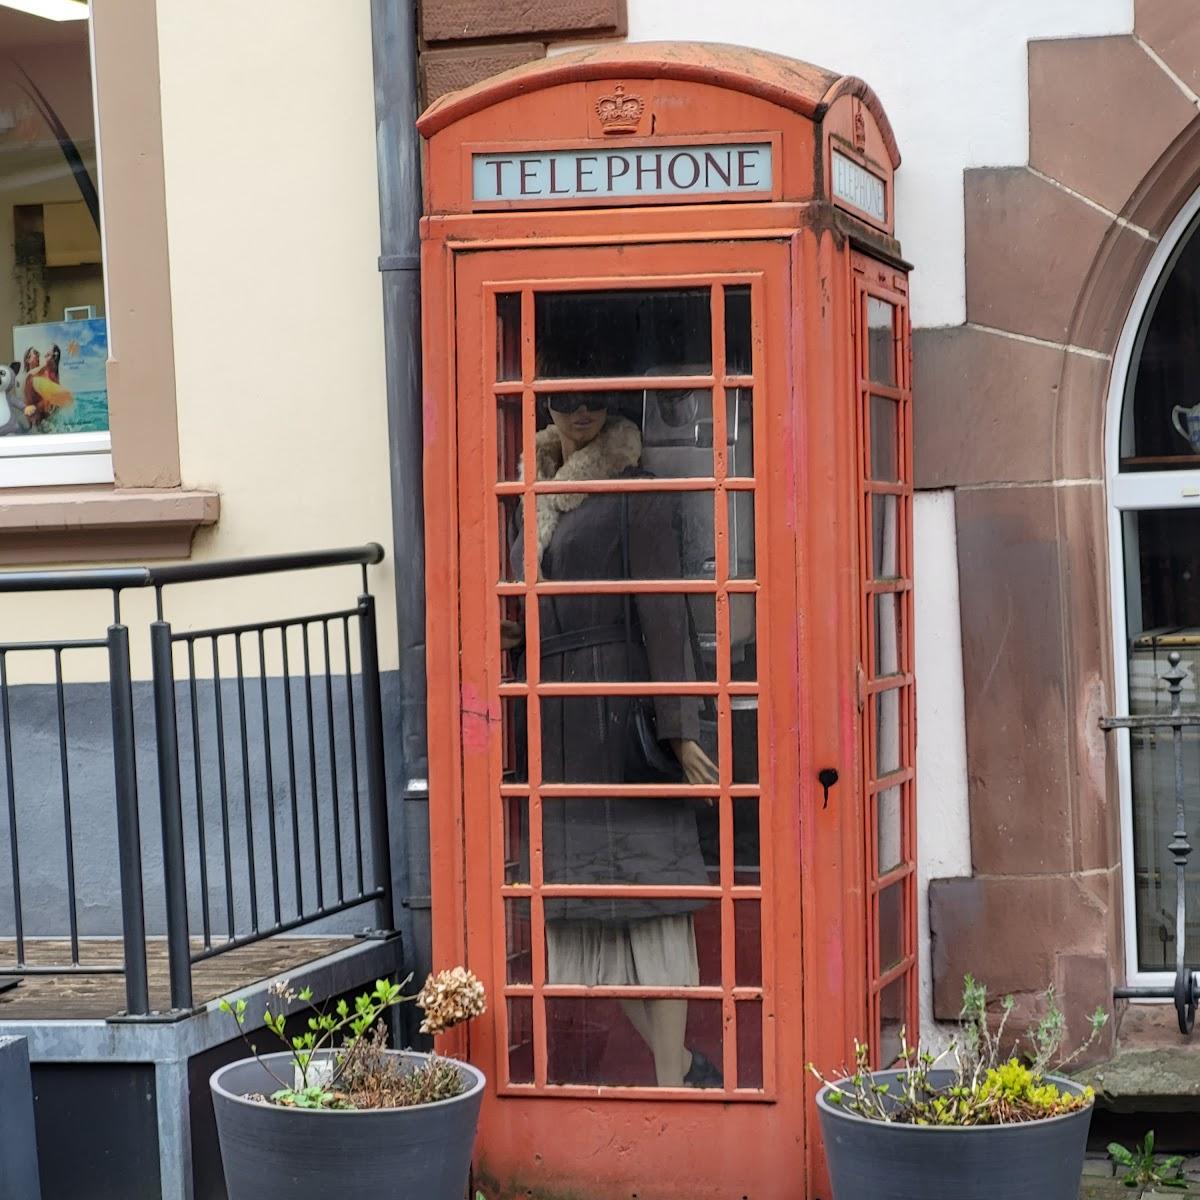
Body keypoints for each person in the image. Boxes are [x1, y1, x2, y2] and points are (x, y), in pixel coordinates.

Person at [507, 391, 722, 1089]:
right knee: (585, 919)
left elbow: (664, 610)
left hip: (622, 720)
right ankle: (682, 1068)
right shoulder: (529, 491)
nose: (581, 413)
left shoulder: (635, 491)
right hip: (558, 729)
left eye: (595, 401)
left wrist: (680, 727)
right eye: (565, 401)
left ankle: (672, 1083)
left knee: (652, 905)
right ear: (544, 407)